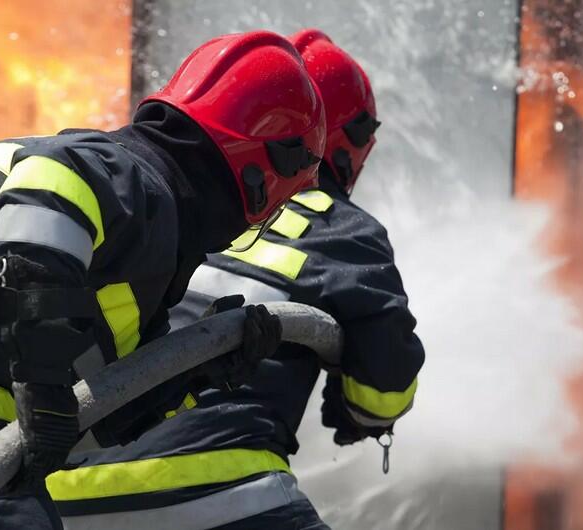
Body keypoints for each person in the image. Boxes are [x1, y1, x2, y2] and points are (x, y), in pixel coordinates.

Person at [0, 31, 325, 529]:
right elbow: (51, 185)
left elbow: (79, 425)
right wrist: (42, 381)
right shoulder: (131, 177)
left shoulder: (120, 242)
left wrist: (198, 373)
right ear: (262, 175)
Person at [50, 29, 425, 530]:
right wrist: (355, 410)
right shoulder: (341, 229)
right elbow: (383, 391)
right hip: (214, 490)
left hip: (59, 495)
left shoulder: (165, 204)